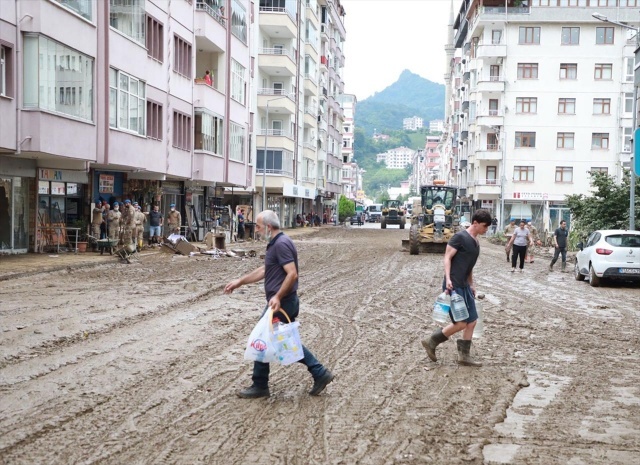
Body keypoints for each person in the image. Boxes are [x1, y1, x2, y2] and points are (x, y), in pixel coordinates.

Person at [224, 210, 334, 398]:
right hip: (282, 302)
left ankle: (261, 385)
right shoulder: (275, 244)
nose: (256, 230)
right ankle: (318, 373)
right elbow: (265, 269)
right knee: (278, 340)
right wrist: (240, 281)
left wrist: (277, 296)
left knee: (263, 338)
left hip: (282, 303)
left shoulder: (281, 244)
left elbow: (292, 274)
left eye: (258, 226)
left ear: (268, 227)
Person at [421, 209, 492, 367]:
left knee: (472, 321)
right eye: (484, 226)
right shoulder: (459, 237)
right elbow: (447, 257)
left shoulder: (476, 241)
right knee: (461, 322)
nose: (486, 229)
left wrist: (472, 284)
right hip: (453, 285)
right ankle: (431, 341)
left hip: (465, 286)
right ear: (475, 223)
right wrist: (447, 279)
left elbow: (469, 266)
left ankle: (464, 356)